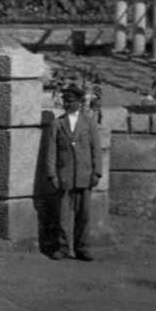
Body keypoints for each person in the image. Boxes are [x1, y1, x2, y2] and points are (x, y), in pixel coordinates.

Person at [44, 84, 102, 261]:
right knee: (63, 215)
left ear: (79, 102)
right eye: (65, 101)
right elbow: (51, 151)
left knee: (84, 216)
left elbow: (96, 150)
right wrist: (52, 175)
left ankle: (82, 248)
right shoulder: (57, 124)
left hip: (84, 176)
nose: (67, 104)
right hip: (65, 176)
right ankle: (62, 247)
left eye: (70, 101)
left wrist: (97, 173)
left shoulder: (89, 123)